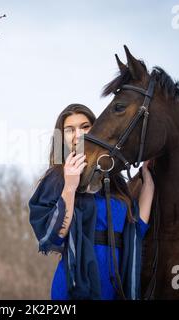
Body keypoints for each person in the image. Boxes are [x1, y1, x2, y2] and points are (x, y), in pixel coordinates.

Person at [29, 103, 155, 300]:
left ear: (96, 129)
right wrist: (70, 185)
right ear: (62, 138)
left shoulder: (113, 180)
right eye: (70, 130)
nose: (79, 134)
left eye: (85, 126)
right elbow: (54, 236)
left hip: (116, 285)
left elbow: (135, 228)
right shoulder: (56, 178)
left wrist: (148, 183)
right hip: (77, 287)